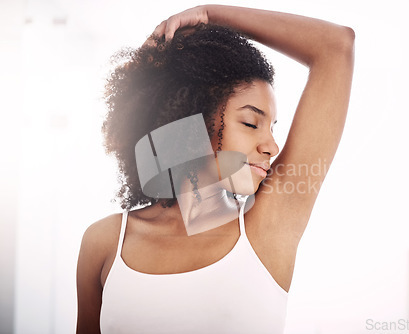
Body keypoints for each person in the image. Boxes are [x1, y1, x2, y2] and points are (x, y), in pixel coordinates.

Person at [76, 4, 354, 334]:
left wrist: (211, 16)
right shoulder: (107, 242)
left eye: (272, 128)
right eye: (251, 123)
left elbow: (337, 46)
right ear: (190, 122)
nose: (271, 146)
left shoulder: (266, 228)